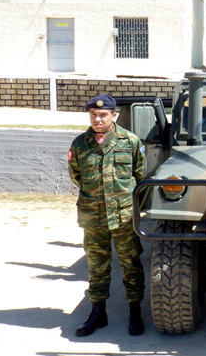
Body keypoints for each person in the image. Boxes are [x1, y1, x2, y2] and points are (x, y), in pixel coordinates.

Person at [68, 94, 147, 337]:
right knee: (96, 266)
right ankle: (98, 312)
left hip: (123, 216)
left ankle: (135, 311)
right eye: (93, 115)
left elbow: (140, 176)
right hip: (93, 215)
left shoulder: (130, 142)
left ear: (114, 115)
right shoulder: (80, 144)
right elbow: (76, 176)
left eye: (103, 115)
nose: (97, 119)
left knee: (131, 264)